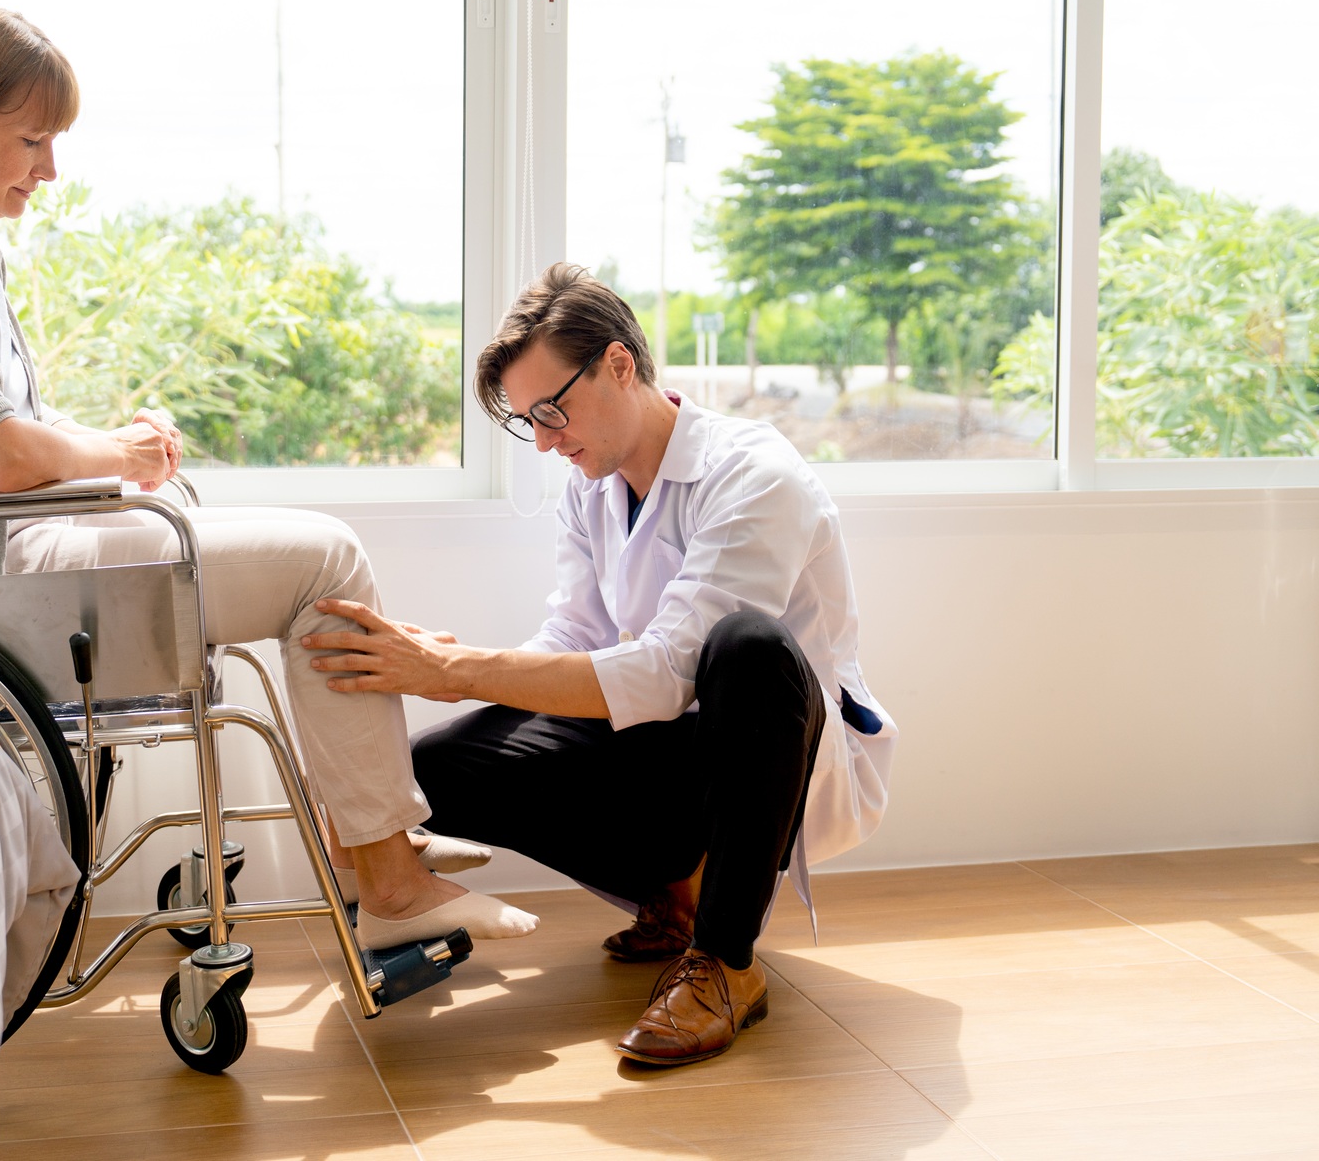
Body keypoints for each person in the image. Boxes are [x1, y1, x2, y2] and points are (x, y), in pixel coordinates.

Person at [0, 2, 536, 949]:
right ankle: (384, 872)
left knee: (297, 558)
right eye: (32, 140)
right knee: (326, 561)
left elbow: (9, 425)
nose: (50, 169)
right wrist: (119, 456)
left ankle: (374, 858)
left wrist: (120, 444)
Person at [299, 263, 897, 1066]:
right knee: (426, 772)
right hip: (661, 751)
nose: (545, 440)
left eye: (553, 410)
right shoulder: (593, 485)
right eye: (529, 422)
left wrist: (457, 670)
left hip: (766, 756)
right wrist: (452, 662)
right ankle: (676, 890)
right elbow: (573, 637)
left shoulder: (756, 474)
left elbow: (665, 673)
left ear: (620, 364)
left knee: (746, 647)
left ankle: (726, 962)